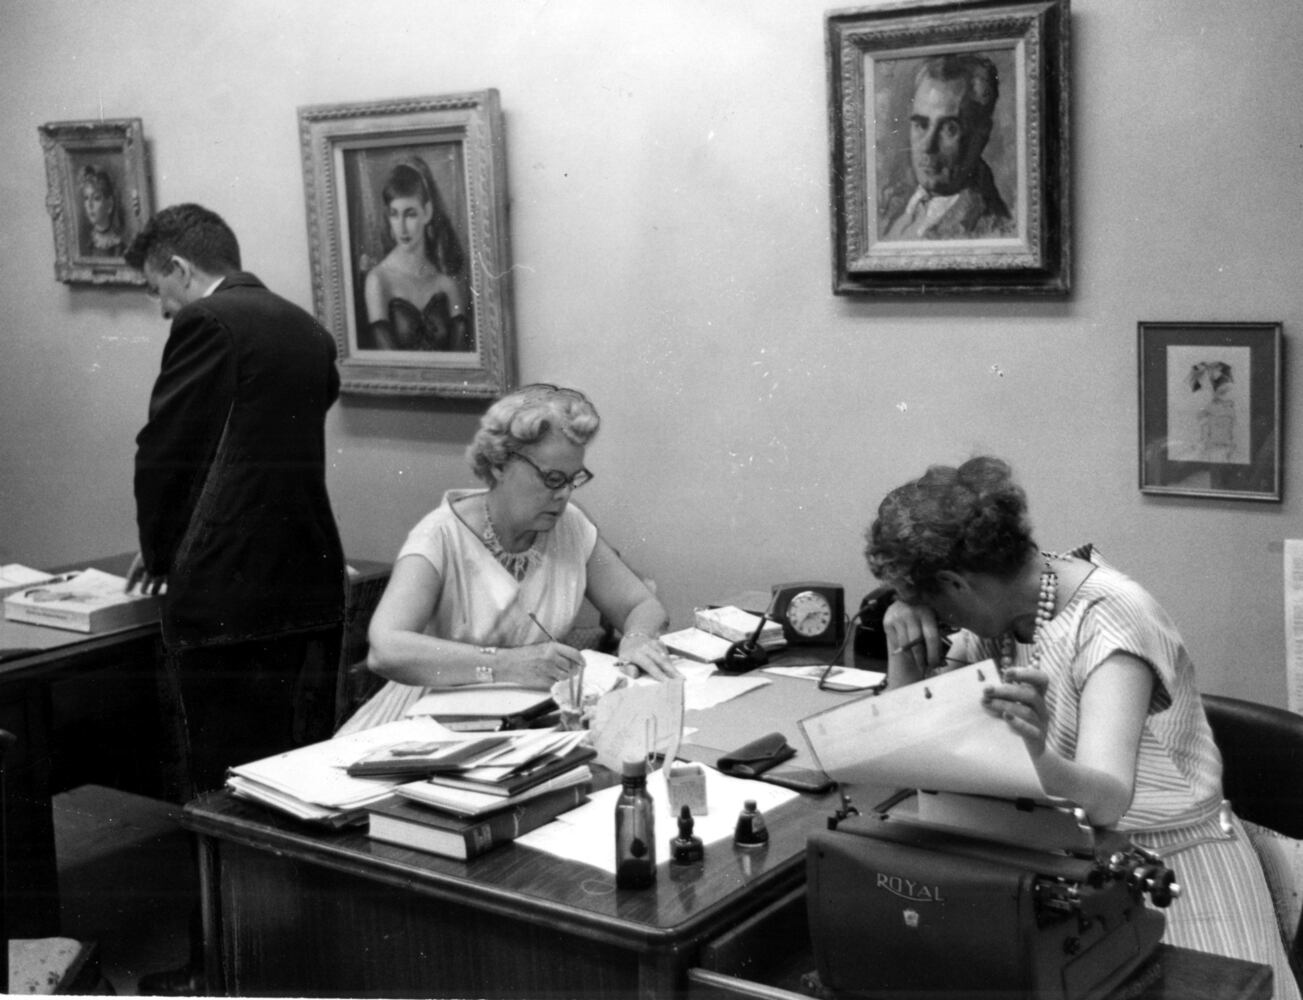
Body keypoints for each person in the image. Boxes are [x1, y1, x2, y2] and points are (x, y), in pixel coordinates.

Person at [865, 456, 1300, 999]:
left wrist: (1036, 757)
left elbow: (1108, 798)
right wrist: (901, 644)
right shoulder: (1003, 610)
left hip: (1169, 868)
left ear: (957, 582)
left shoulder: (1113, 618)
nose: (944, 620)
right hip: (1057, 862)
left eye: (936, 604)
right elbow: (912, 754)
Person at [125, 204, 346, 994]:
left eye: (157, 288)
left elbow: (166, 452)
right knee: (292, 786)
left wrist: (161, 553)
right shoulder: (307, 330)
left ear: (181, 269)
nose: (162, 308)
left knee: (216, 790)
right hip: (308, 581)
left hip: (226, 595)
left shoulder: (208, 323)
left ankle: (215, 972)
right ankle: (289, 961)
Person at [339, 383, 677, 735]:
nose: (564, 494)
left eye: (573, 479)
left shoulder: (570, 526)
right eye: (552, 478)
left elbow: (641, 604)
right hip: (426, 727)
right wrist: (506, 664)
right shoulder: (440, 535)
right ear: (500, 465)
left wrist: (637, 637)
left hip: (525, 723)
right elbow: (385, 649)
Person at [879, 54, 1016, 241]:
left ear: (982, 134)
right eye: (921, 124)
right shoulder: (892, 201)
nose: (927, 146)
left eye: (949, 129)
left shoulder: (993, 228)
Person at [361, 157, 473, 352]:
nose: (402, 227)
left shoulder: (447, 285)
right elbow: (388, 359)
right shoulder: (378, 280)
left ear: (427, 212)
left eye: (410, 214)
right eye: (395, 214)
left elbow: (463, 357)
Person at [79, 164, 126, 257]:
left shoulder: (120, 247)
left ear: (109, 204)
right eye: (86, 198)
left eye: (96, 198)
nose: (90, 205)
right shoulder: (85, 245)